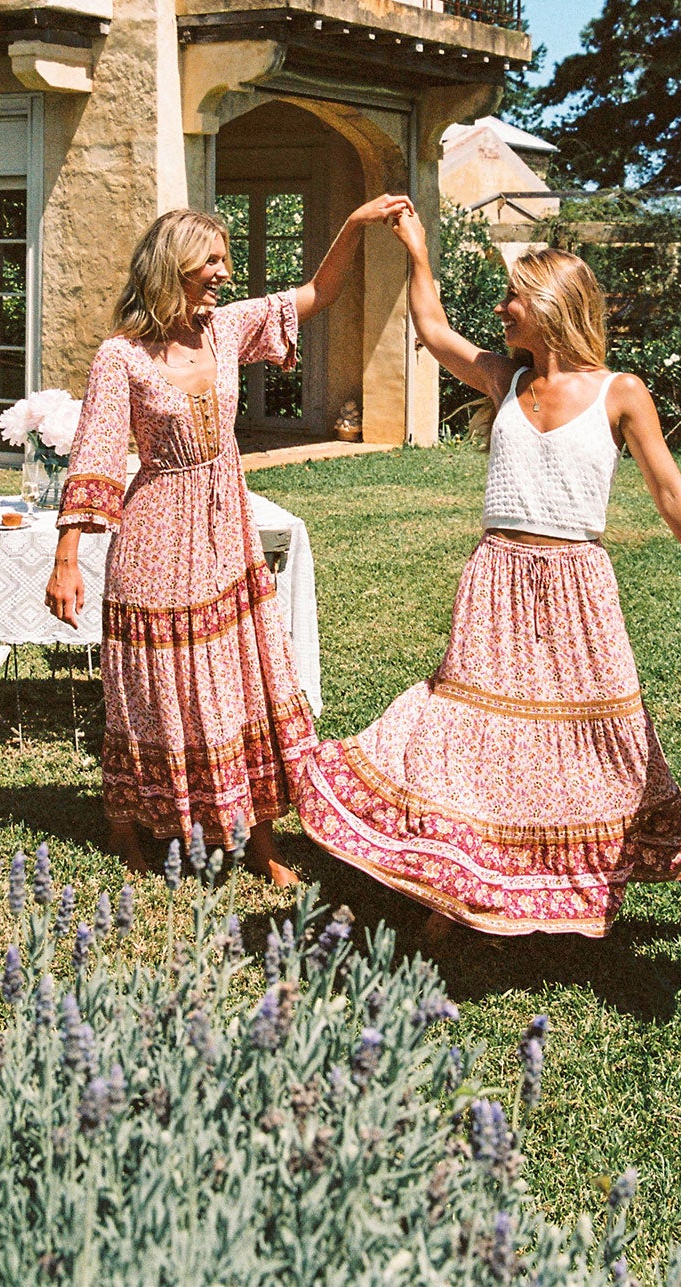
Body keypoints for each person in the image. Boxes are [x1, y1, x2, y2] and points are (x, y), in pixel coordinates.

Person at [298, 218, 681, 959]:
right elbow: (430, 327)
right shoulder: (506, 378)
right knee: (472, 734)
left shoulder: (620, 391)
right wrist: (417, 253)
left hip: (579, 588)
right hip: (496, 582)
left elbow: (670, 490)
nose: (503, 309)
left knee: (618, 741)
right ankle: (458, 879)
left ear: (550, 303)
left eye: (514, 297)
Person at [47, 195, 413, 882]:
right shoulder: (119, 357)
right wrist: (67, 558)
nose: (223, 272)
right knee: (154, 688)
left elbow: (319, 291)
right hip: (155, 537)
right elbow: (93, 456)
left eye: (225, 259)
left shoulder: (229, 327)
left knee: (242, 680)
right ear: (172, 267)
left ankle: (263, 844)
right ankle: (133, 832)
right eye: (210, 260)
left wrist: (356, 224)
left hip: (225, 528)